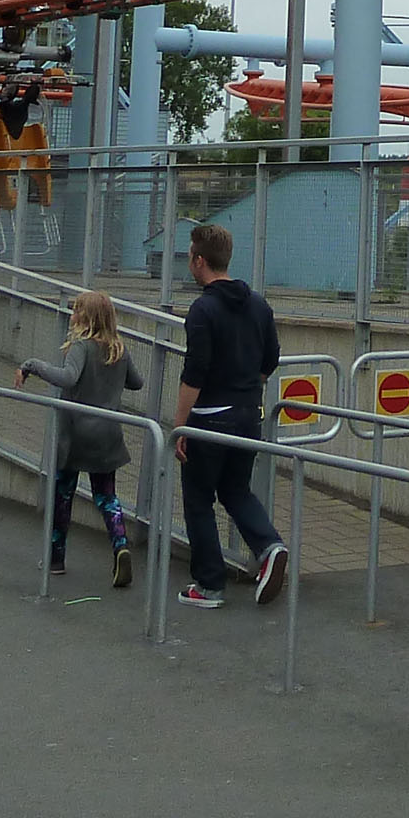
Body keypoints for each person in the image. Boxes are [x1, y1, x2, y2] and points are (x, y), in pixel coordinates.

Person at [170, 221, 289, 611]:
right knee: (236, 490)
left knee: (199, 500)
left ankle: (208, 586)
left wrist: (180, 424)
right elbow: (270, 360)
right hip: (247, 414)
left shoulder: (202, 309)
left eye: (190, 255)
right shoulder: (258, 304)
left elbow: (195, 373)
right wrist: (246, 386)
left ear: (199, 261)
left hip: (208, 417)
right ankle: (270, 547)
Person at [18, 289, 148, 586]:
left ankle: (56, 559)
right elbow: (137, 383)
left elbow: (68, 378)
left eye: (76, 311)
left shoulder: (81, 347)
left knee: (63, 495)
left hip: (75, 435)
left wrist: (33, 366)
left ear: (87, 318)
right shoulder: (118, 348)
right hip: (108, 434)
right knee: (106, 497)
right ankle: (120, 546)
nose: (72, 315)